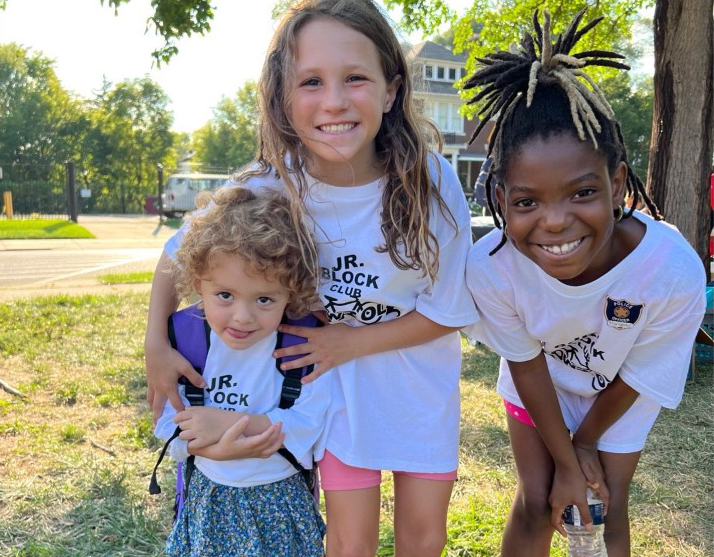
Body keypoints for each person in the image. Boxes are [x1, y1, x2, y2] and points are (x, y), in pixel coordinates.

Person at [145, 1, 477, 555]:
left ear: (391, 90)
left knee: (424, 538)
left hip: (417, 385)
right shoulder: (268, 183)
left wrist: (348, 341)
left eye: (355, 78)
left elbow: (449, 309)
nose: (334, 101)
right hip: (331, 390)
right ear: (281, 97)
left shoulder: (431, 180)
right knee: (350, 541)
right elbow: (179, 255)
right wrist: (156, 342)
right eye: (311, 82)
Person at [462, 9, 706, 557]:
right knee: (538, 498)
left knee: (603, 505)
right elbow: (525, 364)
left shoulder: (671, 272)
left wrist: (587, 444)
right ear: (500, 201)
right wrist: (564, 461)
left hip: (618, 392)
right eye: (526, 202)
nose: (553, 222)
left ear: (617, 184)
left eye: (581, 193)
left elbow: (641, 374)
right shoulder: (493, 268)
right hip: (539, 385)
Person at [153, 187, 329, 557]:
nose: (243, 316)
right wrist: (213, 450)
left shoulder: (303, 346)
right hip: (208, 502)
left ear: (290, 295)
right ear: (198, 283)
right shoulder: (189, 342)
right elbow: (169, 424)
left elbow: (312, 421)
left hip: (281, 507)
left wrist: (227, 423)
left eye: (264, 299)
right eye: (225, 296)